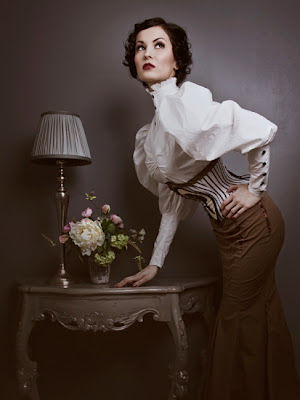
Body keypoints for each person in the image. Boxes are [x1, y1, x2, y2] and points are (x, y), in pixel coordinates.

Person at [115, 17, 300, 399]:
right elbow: (173, 202)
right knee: (260, 315)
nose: (147, 52)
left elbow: (261, 130)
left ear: (176, 60)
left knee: (233, 318)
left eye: (159, 45)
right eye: (140, 47)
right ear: (134, 62)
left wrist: (254, 188)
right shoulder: (149, 137)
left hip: (254, 223)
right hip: (229, 232)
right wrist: (155, 263)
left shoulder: (185, 104)